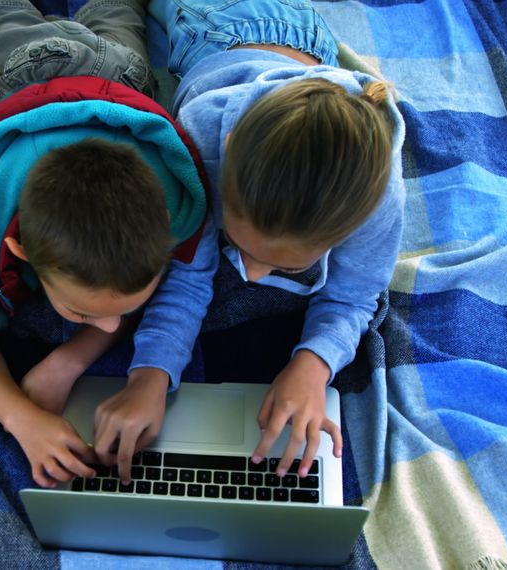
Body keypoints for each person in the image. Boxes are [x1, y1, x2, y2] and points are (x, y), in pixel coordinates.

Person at [0, 0, 217, 488]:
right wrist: (19, 418)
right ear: (19, 249)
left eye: (120, 310)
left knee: (118, 12)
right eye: (85, 313)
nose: (111, 327)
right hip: (11, 72)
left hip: (117, 77)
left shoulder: (169, 201)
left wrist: (71, 358)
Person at [161, 0, 406, 479]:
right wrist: (152, 373)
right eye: (239, 243)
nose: (249, 276)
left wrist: (315, 365)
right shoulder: (197, 138)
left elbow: (355, 295)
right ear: (227, 157)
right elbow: (186, 272)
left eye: (288, 266)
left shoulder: (377, 200)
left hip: (305, 40)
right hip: (215, 26)